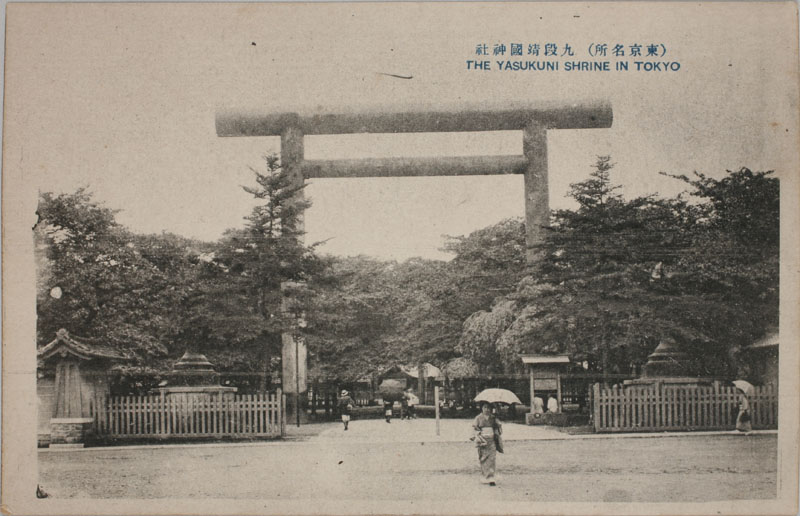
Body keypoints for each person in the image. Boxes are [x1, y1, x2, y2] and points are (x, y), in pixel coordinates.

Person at [471, 401, 502, 486]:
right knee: (483, 458)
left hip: (491, 440)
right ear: (482, 408)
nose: (487, 409)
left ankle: (491, 477)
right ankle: (485, 475)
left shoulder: (493, 417)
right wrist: (477, 435)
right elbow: (475, 428)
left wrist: (497, 422)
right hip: (482, 440)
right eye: (485, 407)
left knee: (492, 458)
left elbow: (498, 427)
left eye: (489, 408)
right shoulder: (478, 418)